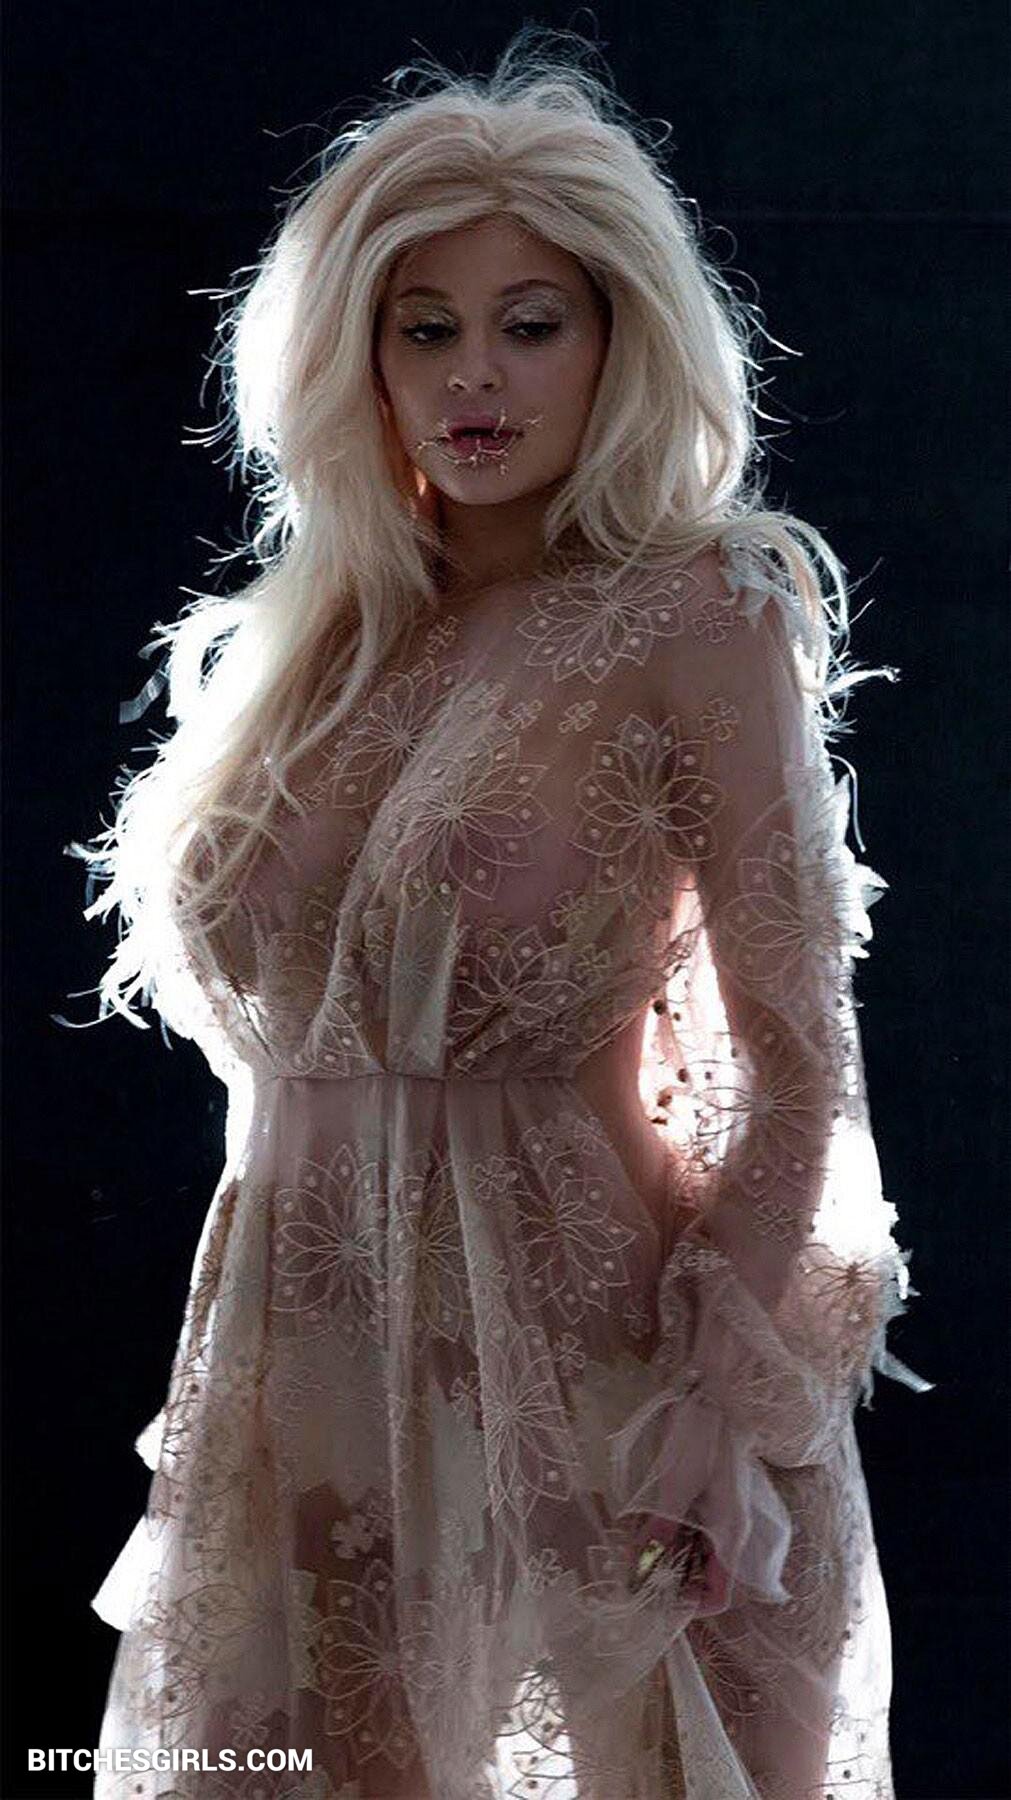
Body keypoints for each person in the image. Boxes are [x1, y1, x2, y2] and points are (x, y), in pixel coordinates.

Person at [74, 29, 933, 1800]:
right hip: (300, 1368)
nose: (476, 375)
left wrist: (714, 1412)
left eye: (531, 323)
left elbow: (797, 1065)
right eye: (425, 326)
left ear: (620, 340)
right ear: (357, 357)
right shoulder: (317, 640)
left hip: (591, 1364)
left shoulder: (699, 611)